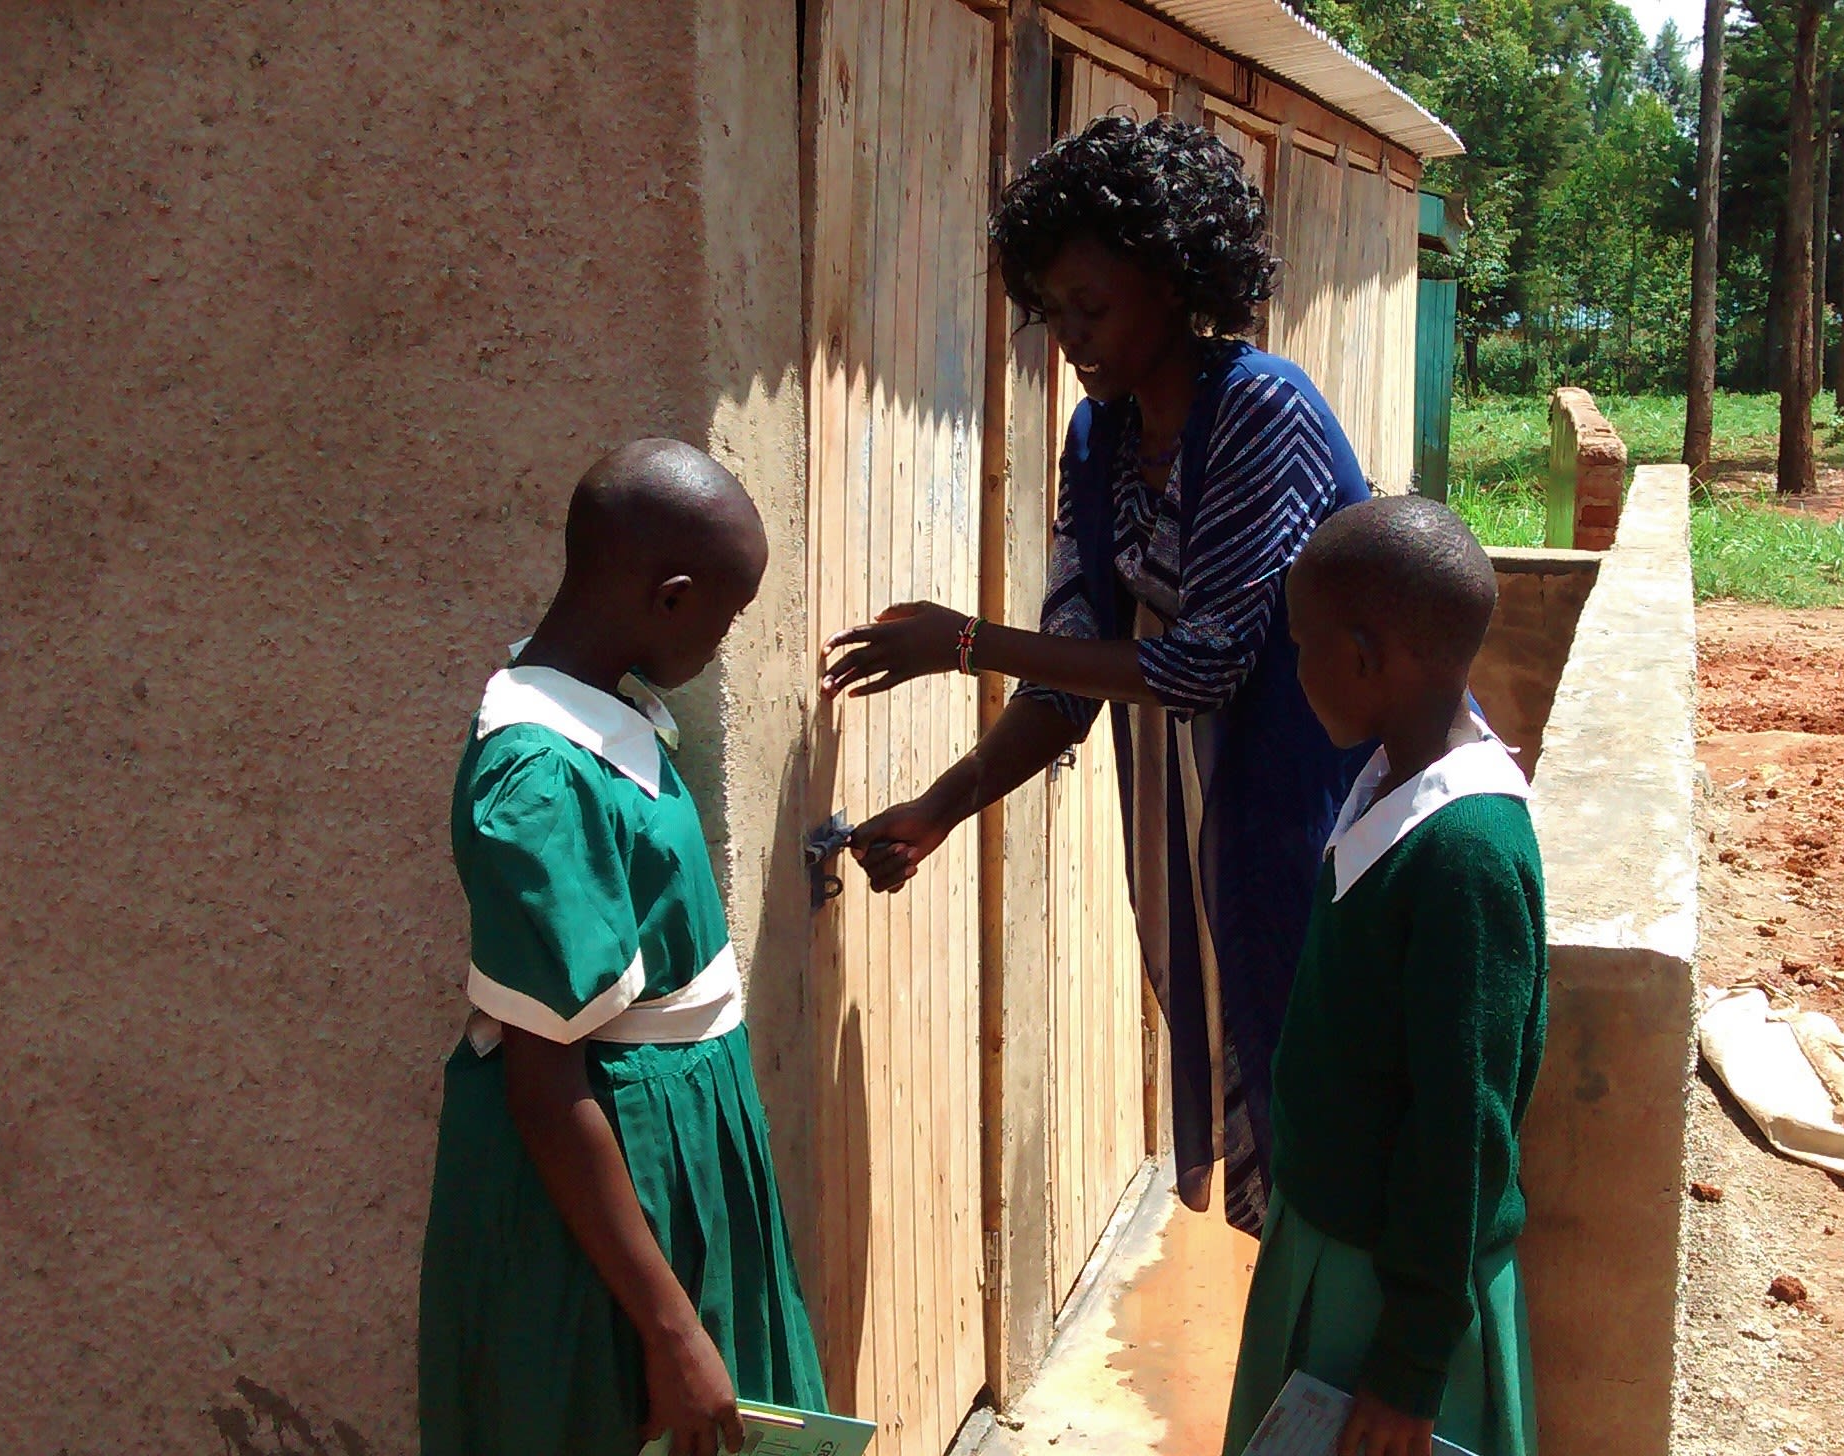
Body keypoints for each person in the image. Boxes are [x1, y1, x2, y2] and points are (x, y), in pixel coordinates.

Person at [819, 114, 1373, 1235]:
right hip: (1211, 828)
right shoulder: (1101, 437)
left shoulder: (1260, 409)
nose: (1068, 335)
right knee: (1267, 1082)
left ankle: (1363, 1380)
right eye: (1051, 309)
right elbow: (1074, 675)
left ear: (1173, 279)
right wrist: (937, 810)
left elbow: (1203, 662)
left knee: (1327, 1093)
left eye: (1092, 305)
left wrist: (965, 641)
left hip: (1314, 809)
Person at [419, 440, 827, 1456]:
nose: (725, 642)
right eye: (727, 619)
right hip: (608, 1202)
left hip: (676, 1153)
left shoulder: (606, 708)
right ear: (672, 598)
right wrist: (671, 1325)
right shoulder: (538, 781)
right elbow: (542, 1077)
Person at [1222, 496, 1548, 1456]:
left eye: (1304, 644)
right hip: (1330, 1252)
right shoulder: (1386, 787)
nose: (1295, 668)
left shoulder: (1466, 855)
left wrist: (1409, 1369)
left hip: (1390, 1305)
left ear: (1368, 656)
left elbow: (1463, 1129)